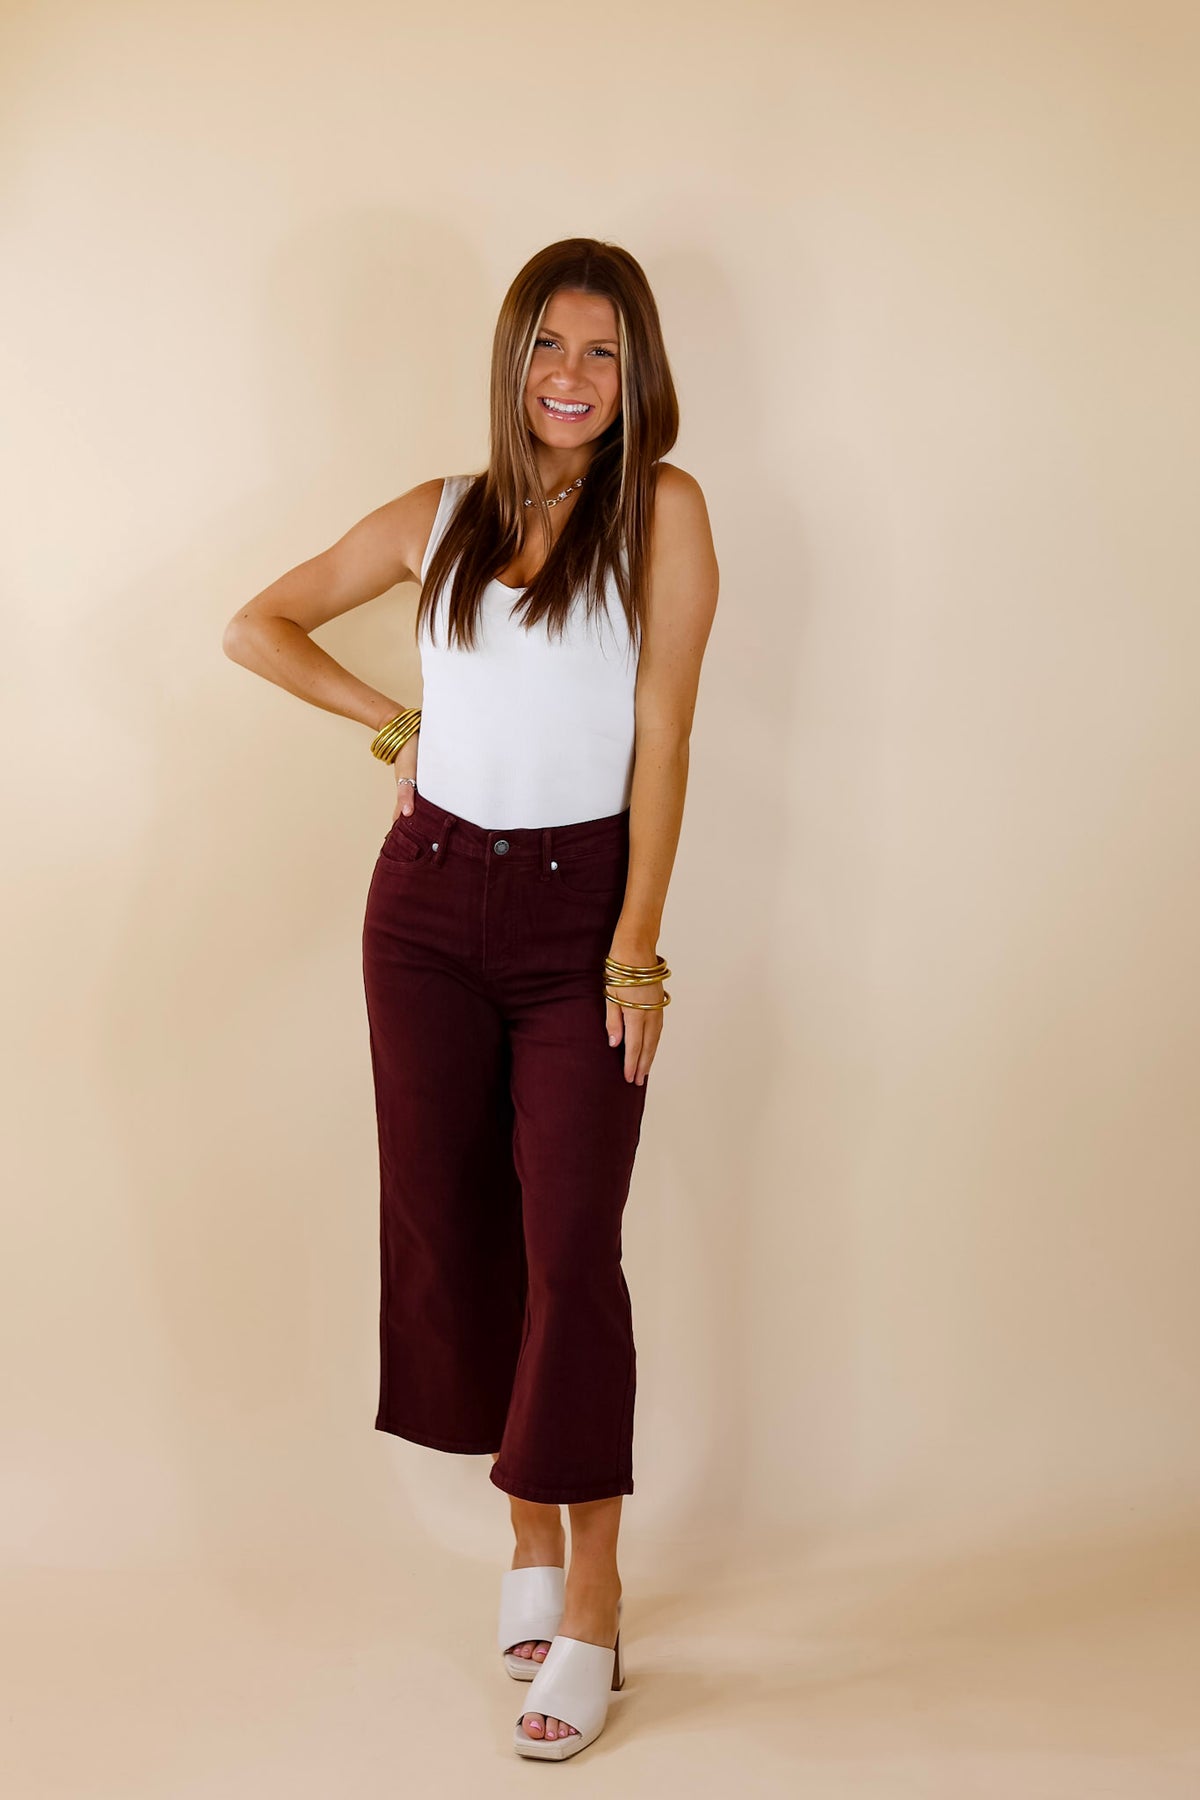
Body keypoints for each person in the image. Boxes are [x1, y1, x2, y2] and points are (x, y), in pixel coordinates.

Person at [222, 237, 719, 1759]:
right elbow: (258, 625)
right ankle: (525, 1530)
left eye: (602, 352)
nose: (571, 377)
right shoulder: (437, 516)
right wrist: (395, 730)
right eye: (548, 346)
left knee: (573, 1242)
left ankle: (595, 1602)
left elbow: (664, 734)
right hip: (427, 909)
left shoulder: (662, 511)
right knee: (455, 1219)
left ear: (636, 374)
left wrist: (636, 944)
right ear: (513, 360)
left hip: (580, 920)